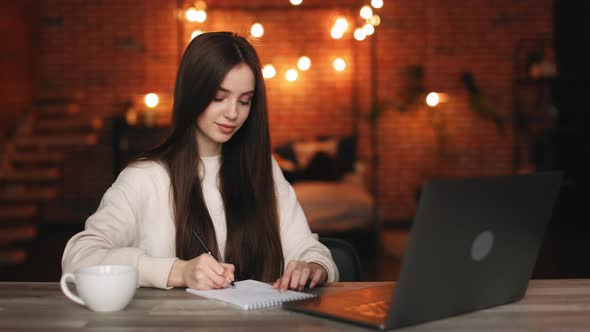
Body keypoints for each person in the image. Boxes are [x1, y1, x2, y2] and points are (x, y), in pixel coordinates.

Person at [61, 31, 338, 291]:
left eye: (245, 101)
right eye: (219, 97)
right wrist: (177, 272)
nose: (233, 113)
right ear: (193, 94)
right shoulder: (146, 177)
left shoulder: (262, 168)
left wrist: (313, 267)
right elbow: (78, 258)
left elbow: (308, 249)